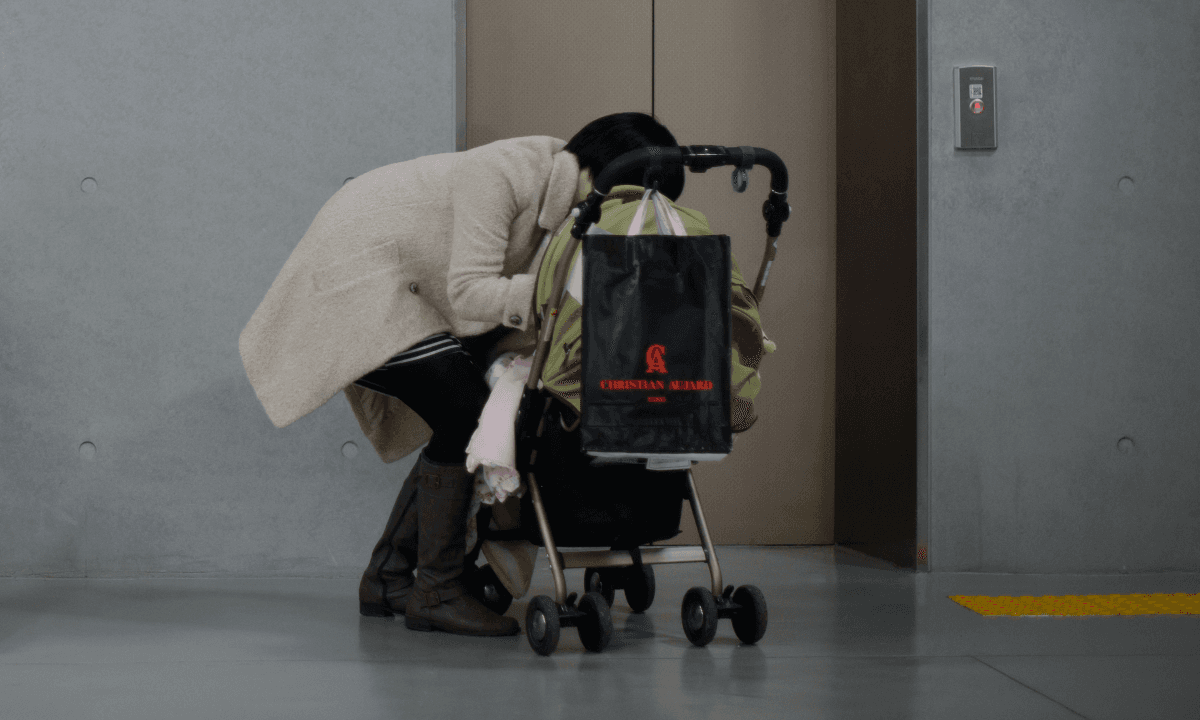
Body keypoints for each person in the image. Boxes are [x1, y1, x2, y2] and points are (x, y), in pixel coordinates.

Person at [238, 112, 686, 637]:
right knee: (468, 412)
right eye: (624, 199)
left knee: (471, 414)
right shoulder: (503, 172)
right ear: (594, 171)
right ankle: (437, 589)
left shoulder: (571, 209)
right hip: (357, 276)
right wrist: (557, 300)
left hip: (406, 287)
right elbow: (471, 291)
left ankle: (390, 578)